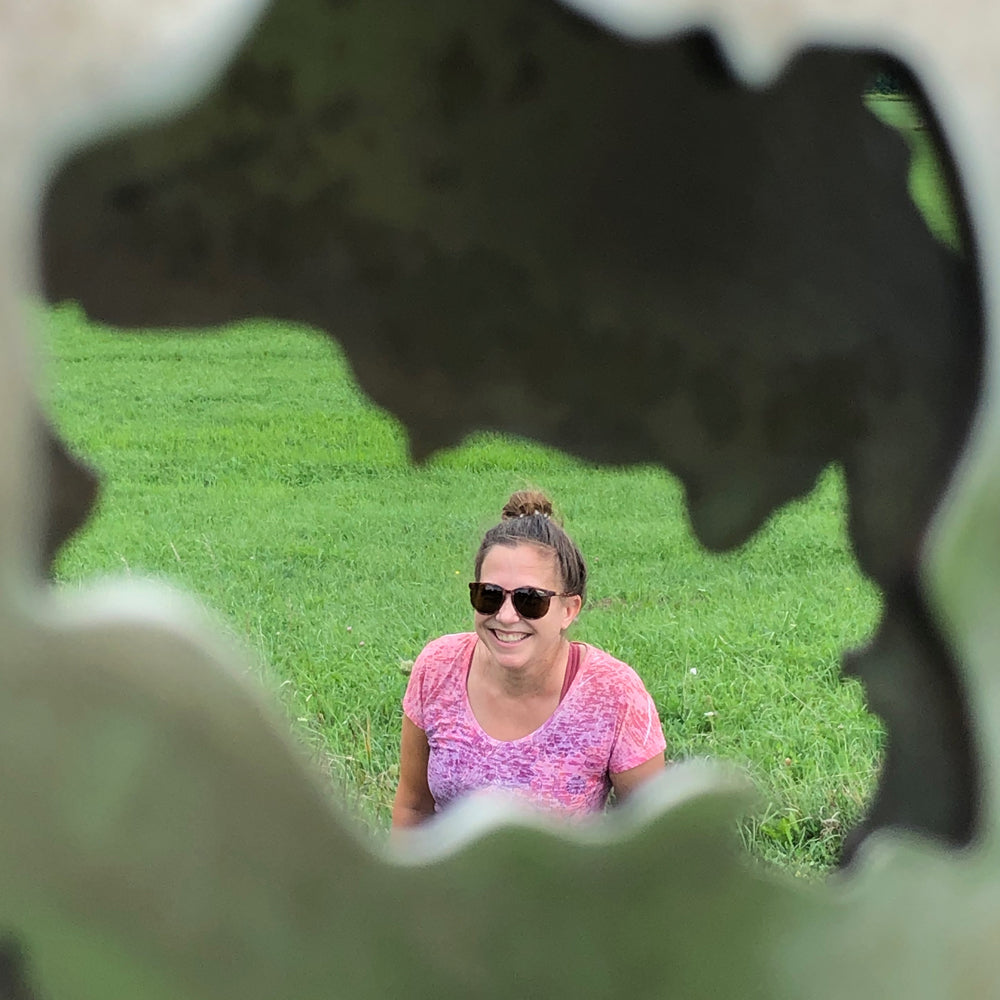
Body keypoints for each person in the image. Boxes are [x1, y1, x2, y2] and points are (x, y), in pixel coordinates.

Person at [392, 490, 666, 827]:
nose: (506, 616)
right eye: (489, 595)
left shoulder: (614, 695)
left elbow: (654, 836)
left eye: (529, 600)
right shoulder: (437, 668)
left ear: (569, 610)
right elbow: (413, 807)